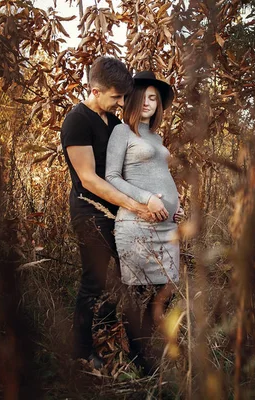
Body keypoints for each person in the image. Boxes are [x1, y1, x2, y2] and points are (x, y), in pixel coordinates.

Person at [60, 58, 168, 366]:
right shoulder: (77, 121)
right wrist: (133, 205)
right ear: (95, 90)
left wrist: (152, 199)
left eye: (124, 97)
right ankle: (80, 353)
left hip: (121, 214)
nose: (122, 103)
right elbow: (89, 179)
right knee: (93, 281)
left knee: (135, 282)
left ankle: (137, 353)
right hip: (90, 213)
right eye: (116, 97)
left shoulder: (116, 125)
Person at [105, 71, 183, 373]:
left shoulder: (156, 137)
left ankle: (158, 356)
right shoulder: (122, 132)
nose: (150, 102)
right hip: (137, 225)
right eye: (145, 97)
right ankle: (141, 365)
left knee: (165, 292)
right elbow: (112, 177)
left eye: (155, 98)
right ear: (133, 99)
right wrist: (147, 199)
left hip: (167, 227)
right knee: (138, 295)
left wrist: (174, 206)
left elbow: (161, 176)